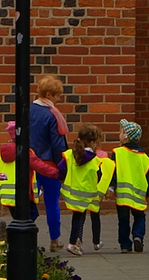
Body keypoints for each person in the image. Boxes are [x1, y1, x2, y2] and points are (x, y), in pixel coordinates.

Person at [32, 75, 71, 249]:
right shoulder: (52, 115)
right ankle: (54, 239)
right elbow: (57, 143)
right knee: (52, 203)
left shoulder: (26, 110)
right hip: (49, 164)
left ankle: (24, 234)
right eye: (57, 96)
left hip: (30, 164)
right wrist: (62, 165)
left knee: (30, 201)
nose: (59, 99)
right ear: (49, 94)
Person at [62, 125, 111, 255]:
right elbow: (98, 175)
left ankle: (76, 241)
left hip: (71, 192)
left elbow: (61, 169)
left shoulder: (70, 154)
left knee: (77, 218)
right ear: (92, 142)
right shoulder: (94, 159)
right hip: (86, 194)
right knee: (79, 218)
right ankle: (73, 243)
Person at [108, 120, 149, 252]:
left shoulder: (118, 152)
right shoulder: (144, 156)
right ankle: (138, 236)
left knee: (123, 219)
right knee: (139, 216)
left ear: (126, 136)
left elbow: (113, 171)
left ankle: (125, 245)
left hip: (123, 194)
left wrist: (111, 186)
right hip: (138, 194)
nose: (119, 134)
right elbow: (148, 175)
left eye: (121, 131)